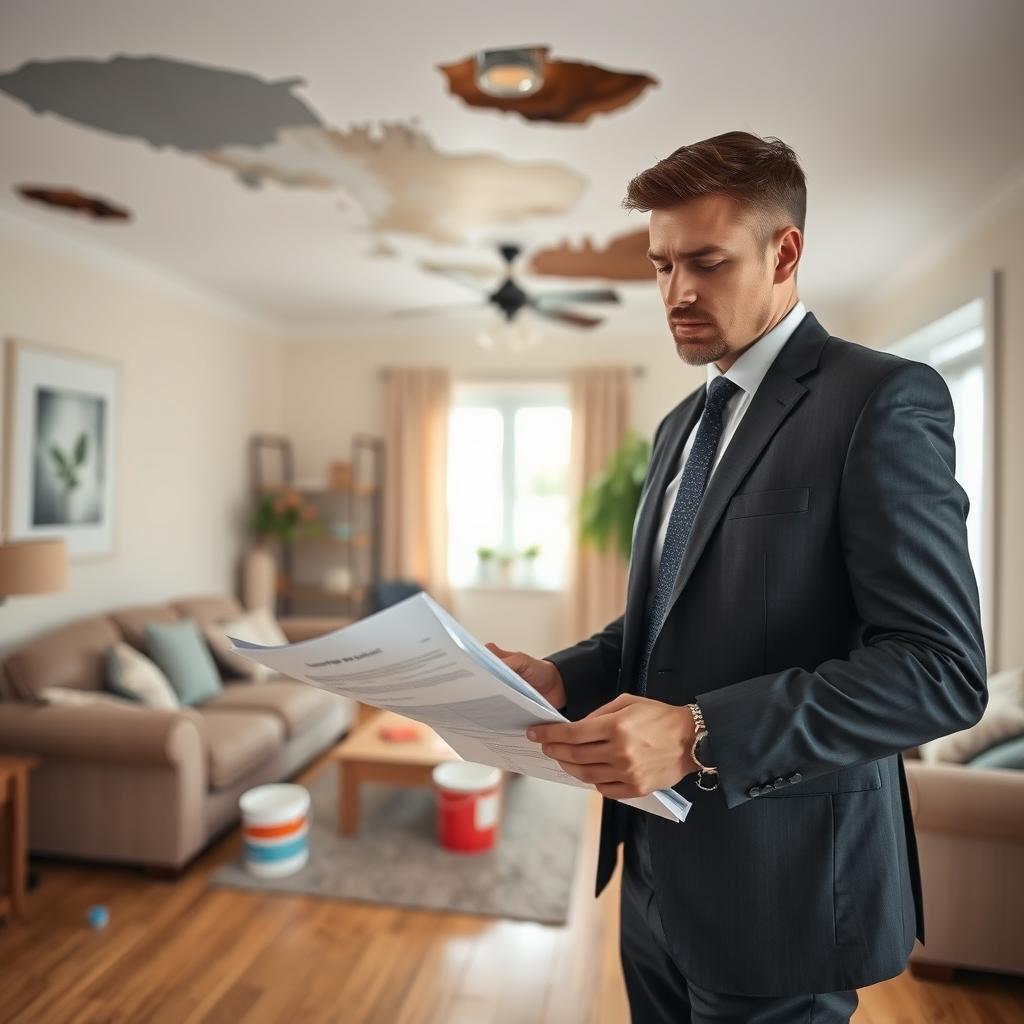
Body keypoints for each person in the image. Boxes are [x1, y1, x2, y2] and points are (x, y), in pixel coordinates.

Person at [484, 130, 987, 1024]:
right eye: (661, 264)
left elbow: (938, 670)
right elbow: (667, 620)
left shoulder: (881, 399)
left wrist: (699, 732)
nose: (676, 292)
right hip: (649, 878)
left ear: (784, 251)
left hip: (782, 893)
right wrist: (563, 674)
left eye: (705, 262)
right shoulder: (683, 423)